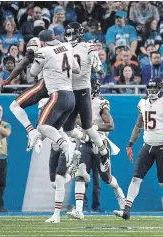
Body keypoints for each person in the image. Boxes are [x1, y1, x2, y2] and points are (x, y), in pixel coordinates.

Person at [114, 77, 163, 220]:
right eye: (150, 88)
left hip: (162, 147)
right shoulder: (143, 103)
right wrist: (130, 144)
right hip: (147, 146)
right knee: (136, 178)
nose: (152, 91)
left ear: (161, 89)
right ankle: (127, 210)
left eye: (155, 88)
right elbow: (138, 126)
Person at [30, 30, 80, 223]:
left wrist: (35, 55)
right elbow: (75, 69)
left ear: (43, 42)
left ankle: (67, 145)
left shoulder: (45, 51)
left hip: (58, 94)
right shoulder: (66, 46)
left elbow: (33, 73)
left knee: (42, 125)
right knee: (54, 128)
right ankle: (67, 146)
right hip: (71, 97)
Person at [67, 80, 125, 220]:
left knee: (107, 179)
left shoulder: (100, 103)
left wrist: (94, 128)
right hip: (84, 142)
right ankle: (79, 210)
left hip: (100, 143)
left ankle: (121, 196)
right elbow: (75, 120)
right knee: (80, 173)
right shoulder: (77, 101)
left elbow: (110, 126)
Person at [63, 22, 111, 173]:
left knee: (87, 126)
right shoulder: (63, 48)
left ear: (80, 34)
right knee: (68, 128)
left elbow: (99, 68)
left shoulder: (88, 47)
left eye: (73, 33)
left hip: (83, 90)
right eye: (68, 33)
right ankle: (87, 140)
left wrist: (96, 63)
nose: (70, 37)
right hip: (68, 90)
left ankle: (103, 152)